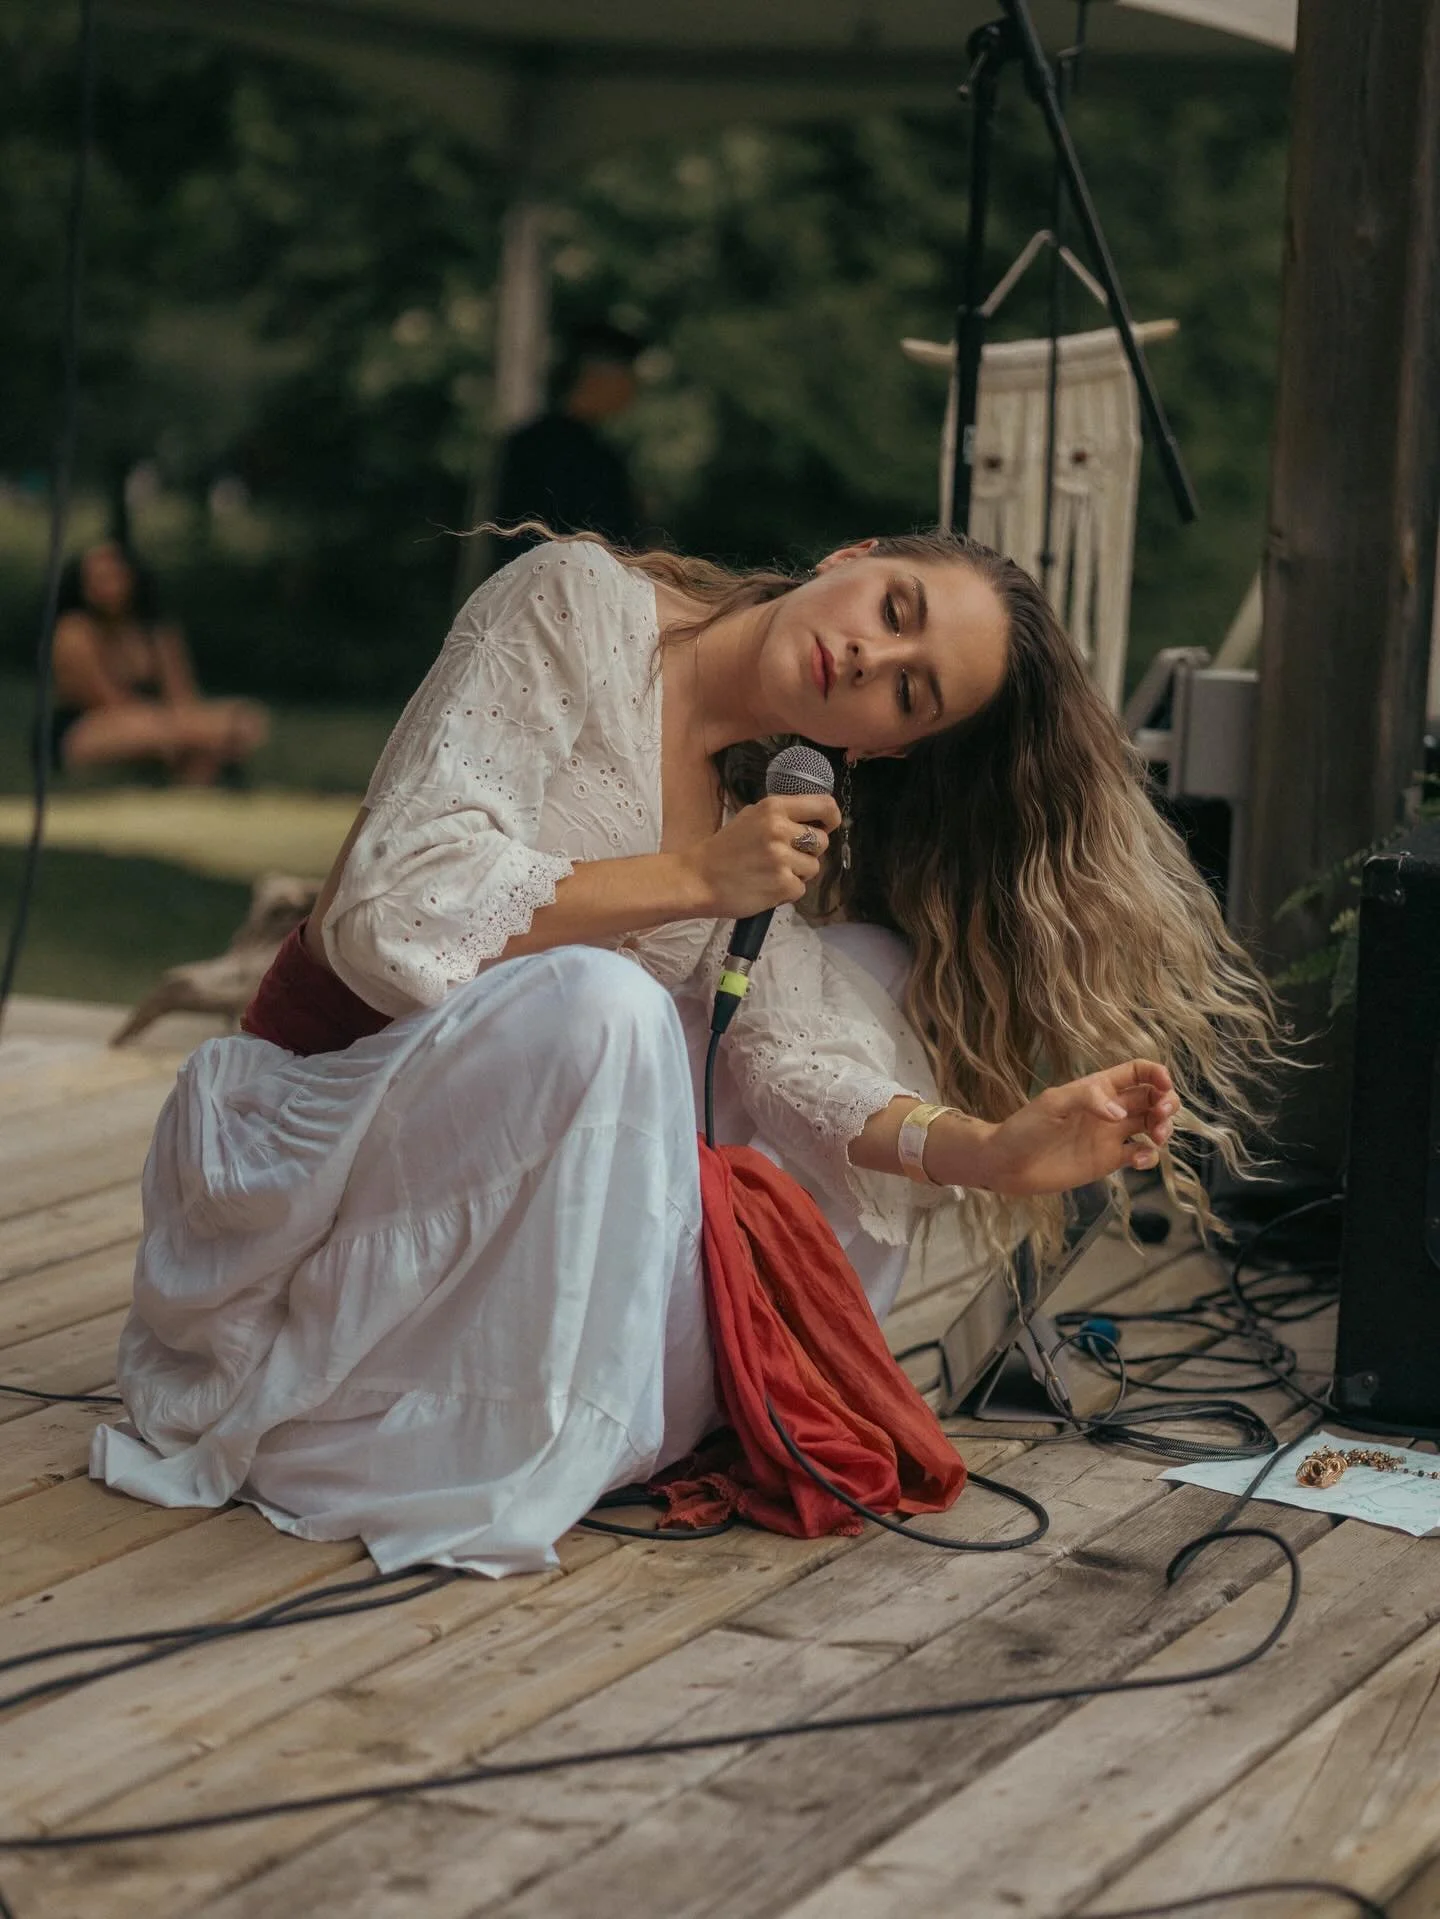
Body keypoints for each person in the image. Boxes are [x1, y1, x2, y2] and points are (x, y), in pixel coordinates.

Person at [91, 527, 1280, 1577]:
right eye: (894, 608)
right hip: (312, 1147)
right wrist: (691, 879)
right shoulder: (574, 603)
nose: (870, 657)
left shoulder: (744, 806)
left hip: (463, 1175)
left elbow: (794, 1058)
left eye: (909, 693)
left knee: (865, 973)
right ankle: (386, 1418)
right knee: (609, 1005)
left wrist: (991, 1150)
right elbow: (383, 907)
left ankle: (614, 1410)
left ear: (885, 750)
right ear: (852, 559)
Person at [44, 540, 270, 783]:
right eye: (97, 579)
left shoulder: (156, 631)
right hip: (94, 730)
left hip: (165, 727)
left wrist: (184, 723)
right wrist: (189, 728)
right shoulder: (74, 633)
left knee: (246, 719)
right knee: (169, 731)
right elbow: (108, 704)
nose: (107, 586)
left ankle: (196, 778)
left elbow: (183, 698)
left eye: (114, 577)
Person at [489, 322, 644, 565]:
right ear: (596, 378)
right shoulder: (550, 451)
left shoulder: (530, 443)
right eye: (626, 376)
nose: (632, 389)